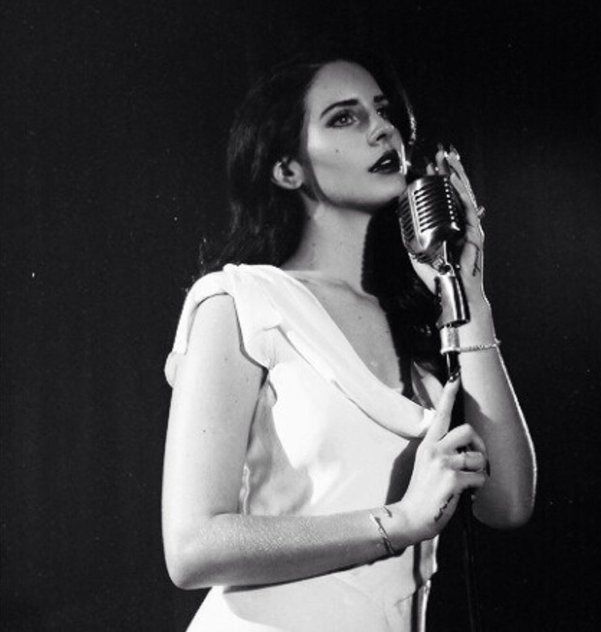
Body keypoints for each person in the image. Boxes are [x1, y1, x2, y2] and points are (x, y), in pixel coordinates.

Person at [162, 53, 536, 631]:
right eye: (344, 118)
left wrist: (469, 295)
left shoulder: (421, 320)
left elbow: (508, 503)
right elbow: (192, 547)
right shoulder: (238, 299)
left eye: (383, 113)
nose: (381, 129)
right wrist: (399, 521)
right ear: (287, 169)